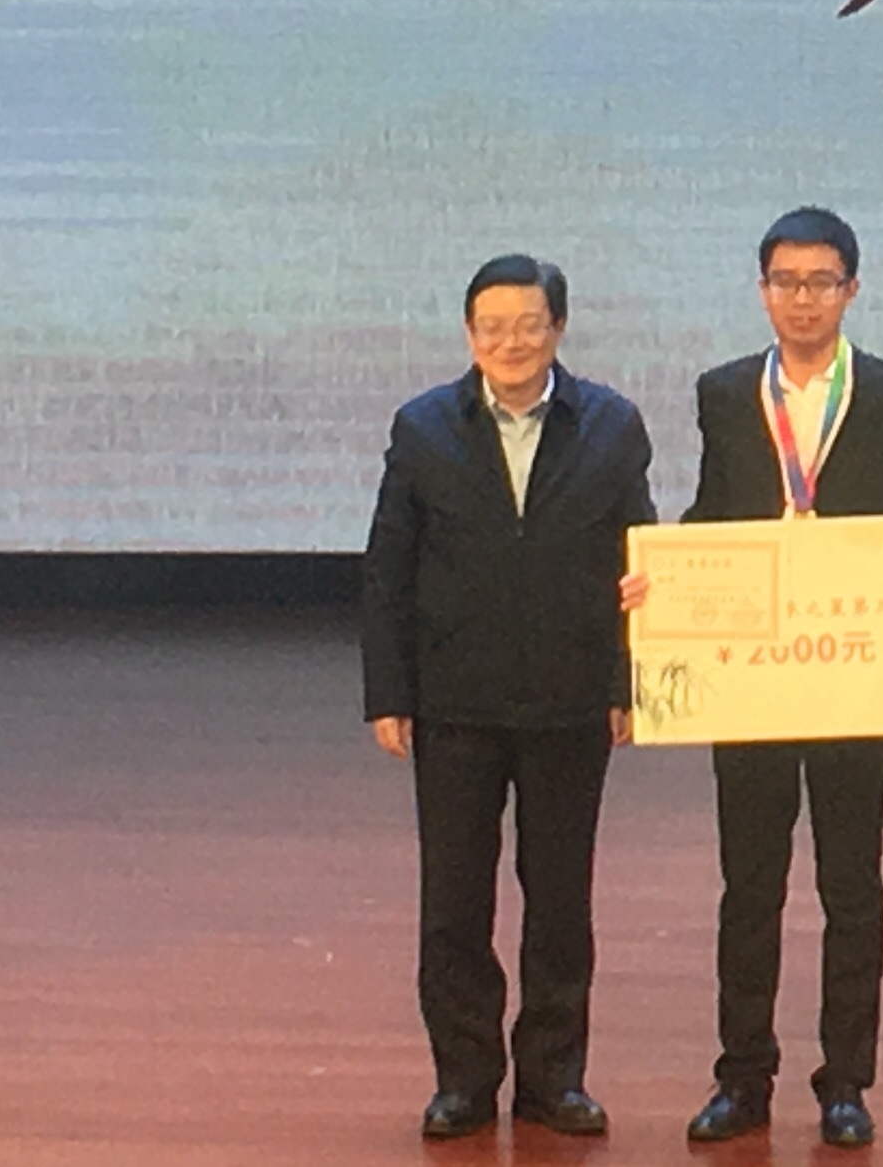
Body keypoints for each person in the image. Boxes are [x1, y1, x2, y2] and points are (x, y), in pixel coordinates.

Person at [672, 207, 883, 1151]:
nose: (802, 298)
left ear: (852, 288)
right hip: (754, 672)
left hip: (852, 669)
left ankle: (845, 1082)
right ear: (762, 289)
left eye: (820, 281)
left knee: (851, 883)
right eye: (785, 281)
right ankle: (742, 1076)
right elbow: (711, 512)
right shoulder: (725, 391)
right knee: (748, 884)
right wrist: (661, 577)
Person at [362, 253, 658, 1145]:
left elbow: (641, 559)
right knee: (454, 905)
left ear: (558, 328)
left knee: (561, 903)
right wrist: (389, 692)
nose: (511, 341)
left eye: (529, 324)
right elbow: (389, 568)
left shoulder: (610, 424)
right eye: (492, 326)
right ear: (469, 334)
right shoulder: (423, 426)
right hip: (456, 702)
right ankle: (463, 1080)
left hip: (572, 702)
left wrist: (629, 680)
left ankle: (553, 1079)